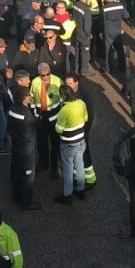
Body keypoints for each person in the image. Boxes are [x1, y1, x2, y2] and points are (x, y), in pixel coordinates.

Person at [53, 75, 90, 203]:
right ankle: (81, 190)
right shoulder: (81, 103)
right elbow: (85, 118)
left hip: (68, 143)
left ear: (64, 97)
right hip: (81, 140)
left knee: (68, 169)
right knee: (80, 165)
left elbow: (58, 129)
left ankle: (67, 194)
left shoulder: (65, 110)